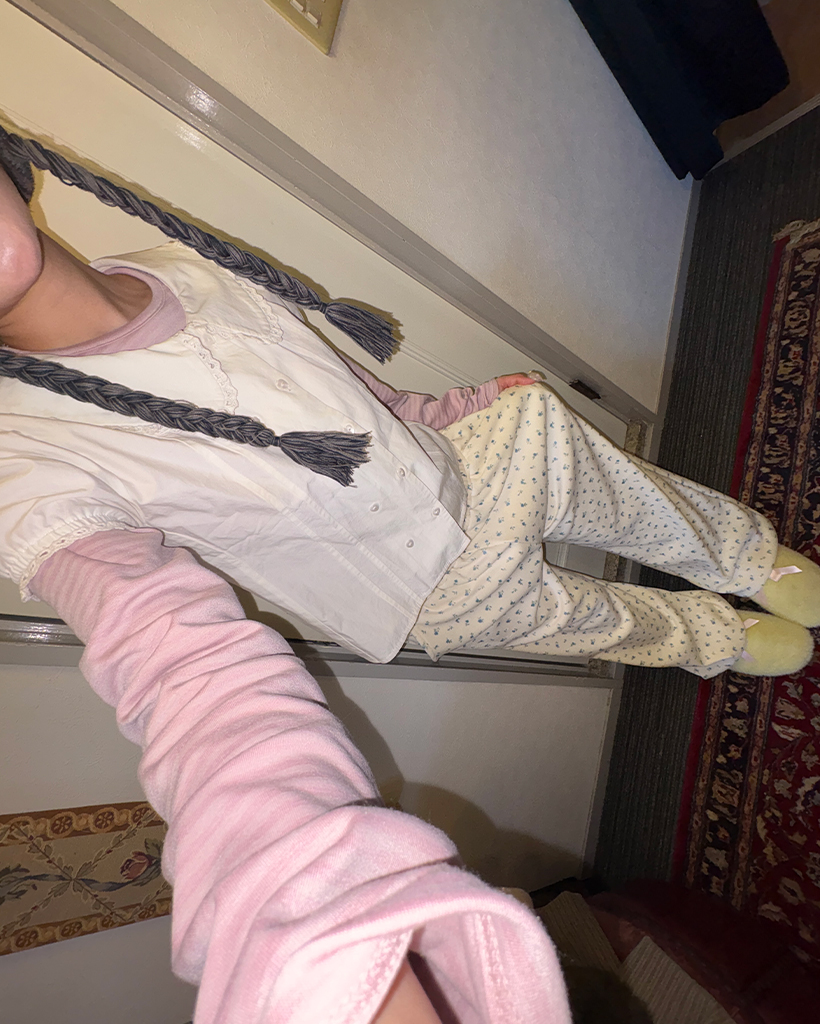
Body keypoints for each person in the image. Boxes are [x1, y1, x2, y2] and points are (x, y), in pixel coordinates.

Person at [0, 128, 817, 1023]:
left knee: (635, 499)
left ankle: (751, 557)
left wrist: (469, 406)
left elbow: (362, 404)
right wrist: (304, 892)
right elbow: (177, 665)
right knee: (599, 620)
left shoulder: (177, 266)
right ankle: (719, 635)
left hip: (469, 463)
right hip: (429, 589)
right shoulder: (21, 466)